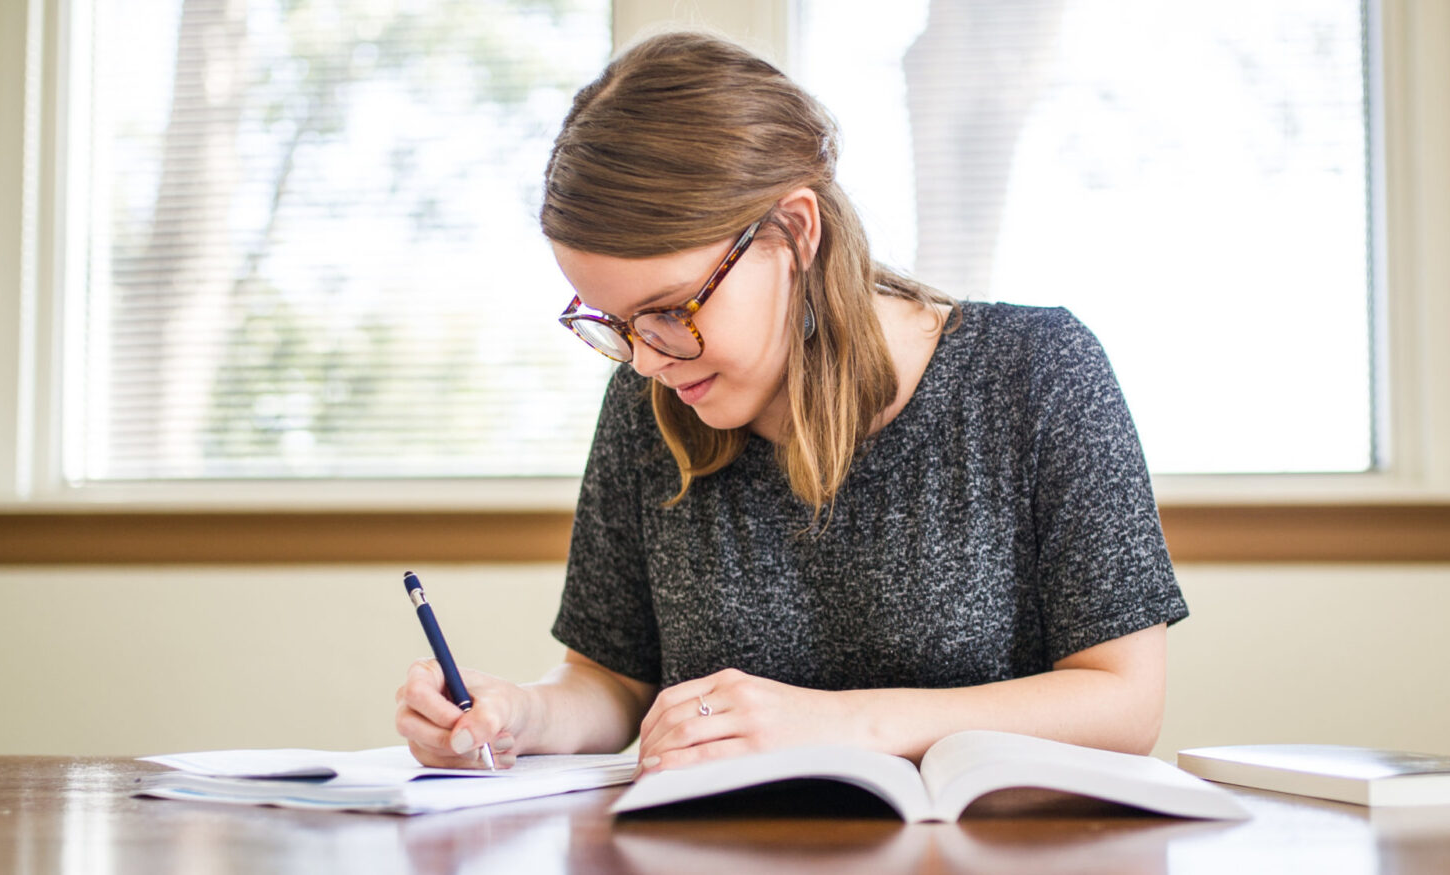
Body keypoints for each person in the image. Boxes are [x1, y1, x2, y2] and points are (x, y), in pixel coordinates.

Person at [394, 30, 1187, 775]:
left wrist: (843, 724)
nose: (645, 358)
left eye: (674, 309)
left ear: (795, 231)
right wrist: (517, 716)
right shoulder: (648, 404)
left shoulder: (1035, 372)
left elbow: (1123, 700)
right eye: (617, 323)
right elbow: (610, 680)